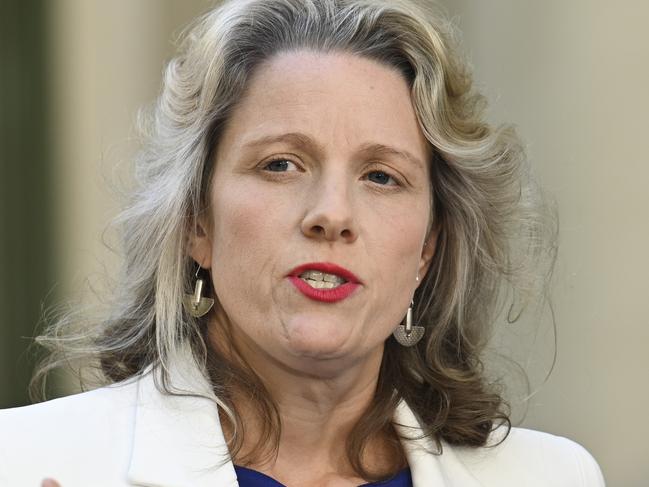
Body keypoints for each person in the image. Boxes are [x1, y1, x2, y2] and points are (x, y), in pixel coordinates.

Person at [0, 0, 605, 485]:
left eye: (380, 177)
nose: (332, 215)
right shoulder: (26, 464)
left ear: (426, 251)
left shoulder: (551, 476)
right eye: (282, 165)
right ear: (196, 222)